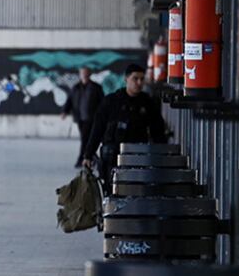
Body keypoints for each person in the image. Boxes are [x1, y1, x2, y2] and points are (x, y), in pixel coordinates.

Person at [82, 63, 167, 194]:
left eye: (142, 79)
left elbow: (158, 132)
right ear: (126, 79)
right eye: (135, 78)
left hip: (138, 158)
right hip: (112, 157)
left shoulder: (147, 103)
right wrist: (88, 155)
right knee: (111, 192)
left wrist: (162, 157)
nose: (139, 83)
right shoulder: (111, 102)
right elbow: (97, 129)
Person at [61, 67, 105, 167]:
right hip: (80, 117)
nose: (84, 75)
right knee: (87, 139)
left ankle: (81, 159)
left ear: (89, 74)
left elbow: (103, 102)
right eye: (82, 73)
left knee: (85, 139)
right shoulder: (75, 87)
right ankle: (92, 157)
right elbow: (70, 100)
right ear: (80, 74)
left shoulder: (96, 87)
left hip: (91, 118)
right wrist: (65, 111)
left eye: (86, 73)